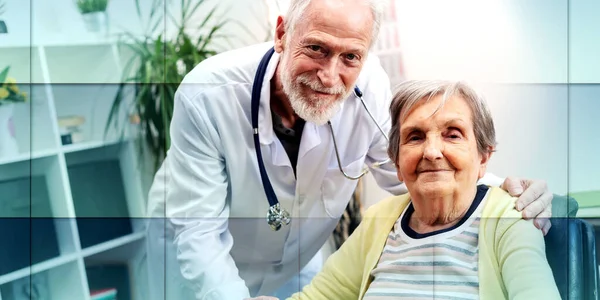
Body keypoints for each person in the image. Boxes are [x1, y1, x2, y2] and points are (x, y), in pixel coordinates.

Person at [145, 0, 555, 299]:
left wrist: (507, 189)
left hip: (295, 258)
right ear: (282, 34)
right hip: (198, 263)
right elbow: (198, 233)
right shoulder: (208, 94)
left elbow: (410, 171)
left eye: (350, 57)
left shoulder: (369, 89)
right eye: (317, 49)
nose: (329, 75)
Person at [265, 80, 561, 300]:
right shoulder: (380, 220)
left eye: (452, 134)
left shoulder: (509, 217)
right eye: (415, 137)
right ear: (396, 161)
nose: (431, 151)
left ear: (483, 156)